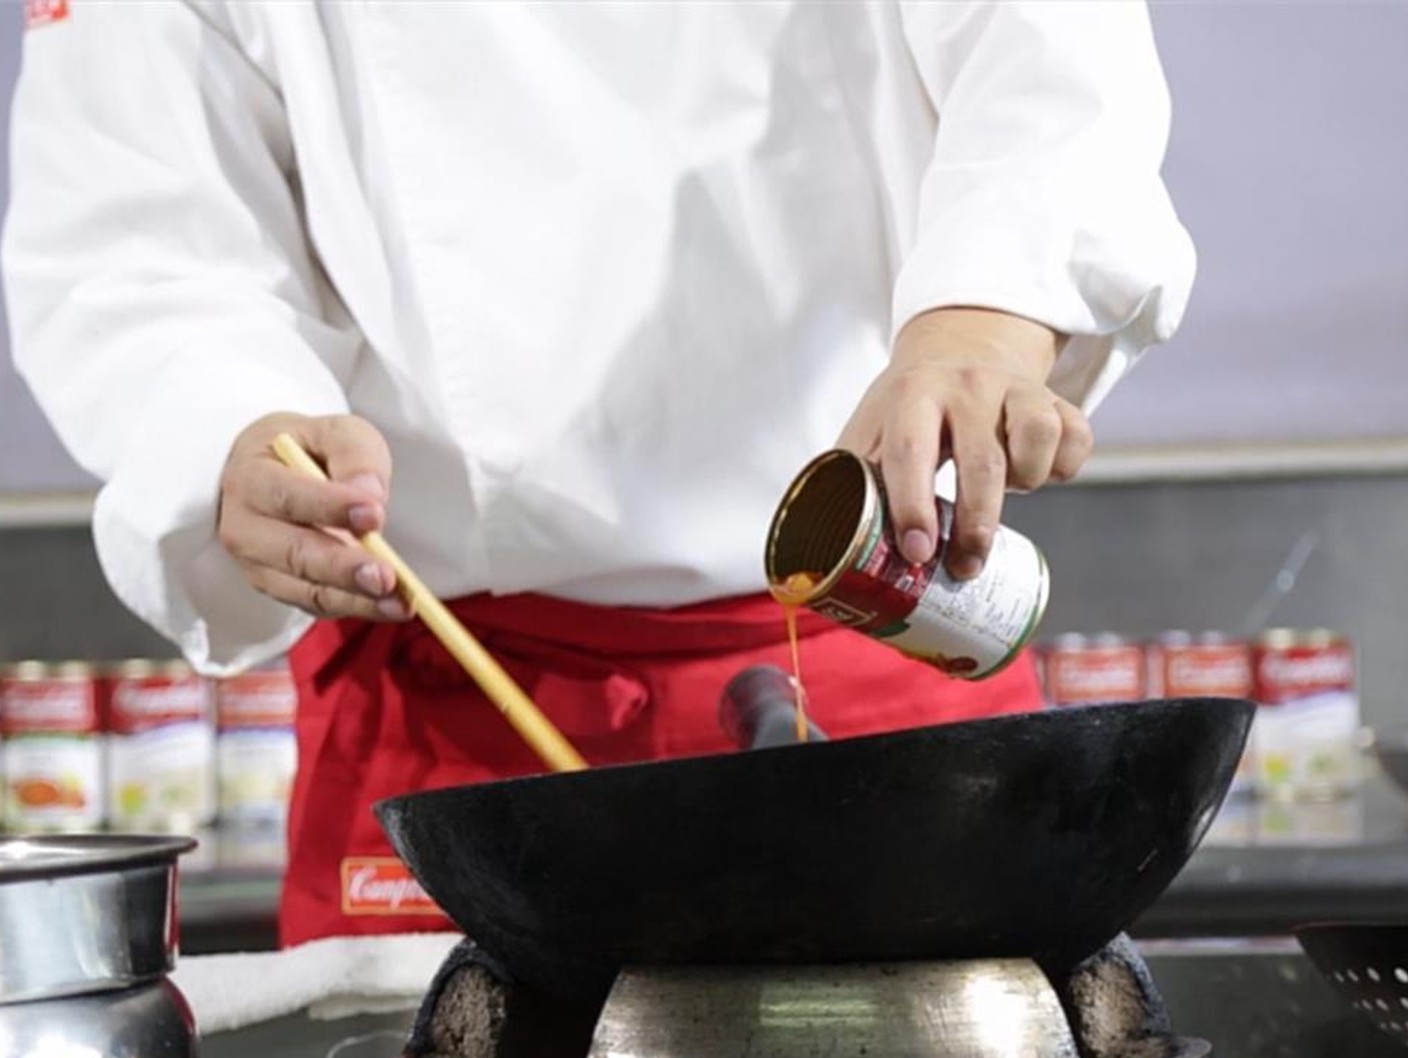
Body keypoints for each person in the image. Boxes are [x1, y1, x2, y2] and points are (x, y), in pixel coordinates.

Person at [2, 2, 1194, 945]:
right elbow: (133, 231)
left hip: (880, 663)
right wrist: (230, 429)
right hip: (461, 736)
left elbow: (1046, 50)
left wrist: (979, 324)